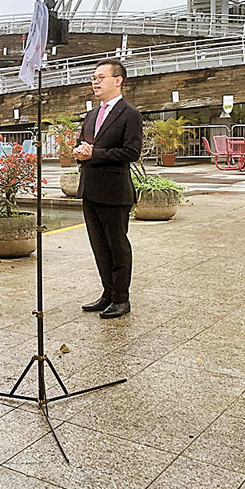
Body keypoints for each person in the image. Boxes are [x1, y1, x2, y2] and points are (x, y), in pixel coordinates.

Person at [73, 58, 142, 319]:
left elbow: (131, 152)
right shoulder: (91, 114)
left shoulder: (130, 114)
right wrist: (80, 151)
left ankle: (122, 298)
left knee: (117, 245)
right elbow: (84, 142)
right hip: (90, 189)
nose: (95, 82)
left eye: (100, 77)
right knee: (99, 245)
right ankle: (107, 293)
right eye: (93, 78)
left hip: (114, 192)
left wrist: (95, 153)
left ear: (118, 80)